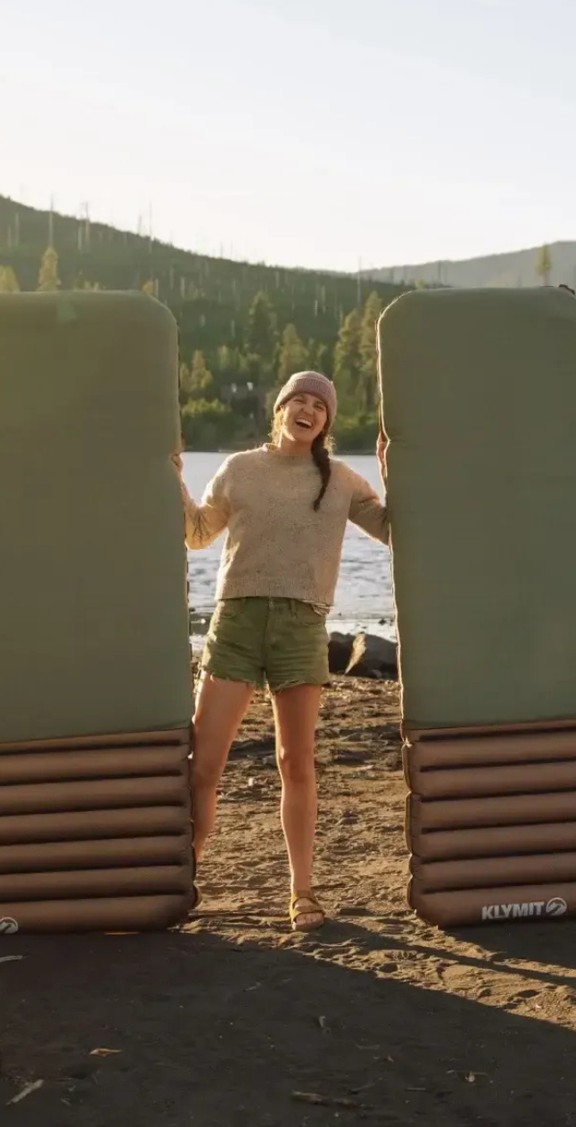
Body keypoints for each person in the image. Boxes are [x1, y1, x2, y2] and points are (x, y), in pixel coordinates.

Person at [178, 370, 389, 931]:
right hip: (237, 622)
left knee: (295, 762)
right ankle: (184, 876)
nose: (308, 410)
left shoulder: (341, 480)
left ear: (326, 423)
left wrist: (398, 476)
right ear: (279, 409)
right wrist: (171, 477)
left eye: (319, 406)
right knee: (205, 764)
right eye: (298, 400)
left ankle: (302, 893)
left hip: (301, 626)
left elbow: (397, 531)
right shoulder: (240, 469)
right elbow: (198, 533)